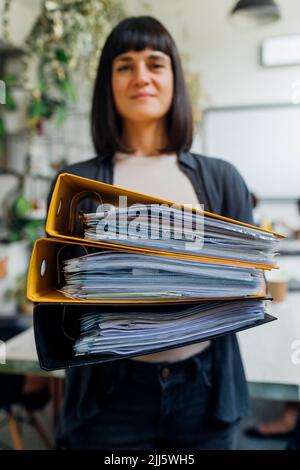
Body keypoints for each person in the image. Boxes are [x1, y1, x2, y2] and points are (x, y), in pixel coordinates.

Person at [47, 16, 255, 450]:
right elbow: (58, 291)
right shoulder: (76, 185)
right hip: (109, 397)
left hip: (205, 388)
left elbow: (250, 282)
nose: (141, 76)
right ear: (109, 83)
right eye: (125, 65)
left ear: (174, 78)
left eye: (154, 63)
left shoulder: (222, 178)